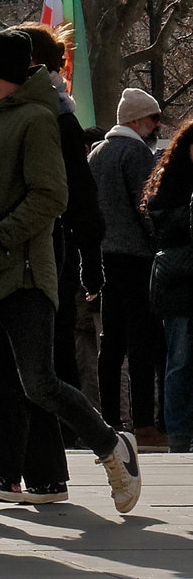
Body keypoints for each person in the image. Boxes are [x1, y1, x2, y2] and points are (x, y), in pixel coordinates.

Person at [0, 28, 141, 521]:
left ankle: (113, 450)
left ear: (0, 70)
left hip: (23, 275)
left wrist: (3, 236)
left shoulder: (37, 119)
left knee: (39, 383)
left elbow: (52, 195)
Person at [0, 23, 108, 504]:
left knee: (15, 370)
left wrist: (89, 261)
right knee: (36, 370)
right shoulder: (41, 113)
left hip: (34, 253)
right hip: (43, 251)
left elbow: (75, 196)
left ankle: (13, 471)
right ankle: (43, 474)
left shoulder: (46, 117)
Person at [93, 86, 167, 446]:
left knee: (111, 342)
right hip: (136, 258)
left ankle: (107, 420)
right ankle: (144, 424)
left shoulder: (97, 153)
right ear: (137, 119)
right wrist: (159, 242)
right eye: (153, 118)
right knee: (142, 340)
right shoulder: (136, 153)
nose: (156, 126)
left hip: (105, 256)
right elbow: (147, 206)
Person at [144, 116, 193, 451]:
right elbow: (161, 225)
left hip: (176, 278)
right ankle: (177, 434)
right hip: (180, 283)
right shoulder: (172, 181)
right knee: (180, 360)